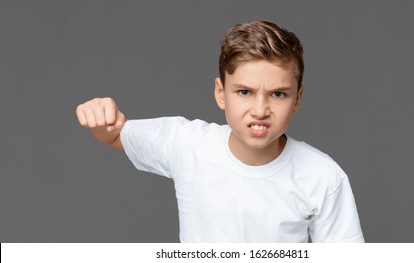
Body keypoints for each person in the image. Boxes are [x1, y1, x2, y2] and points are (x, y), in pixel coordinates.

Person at [76, 20, 364, 243]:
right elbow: (116, 134)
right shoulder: (186, 144)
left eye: (278, 94)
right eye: (244, 92)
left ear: (297, 99)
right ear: (221, 93)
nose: (260, 109)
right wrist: (102, 120)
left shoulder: (323, 177)